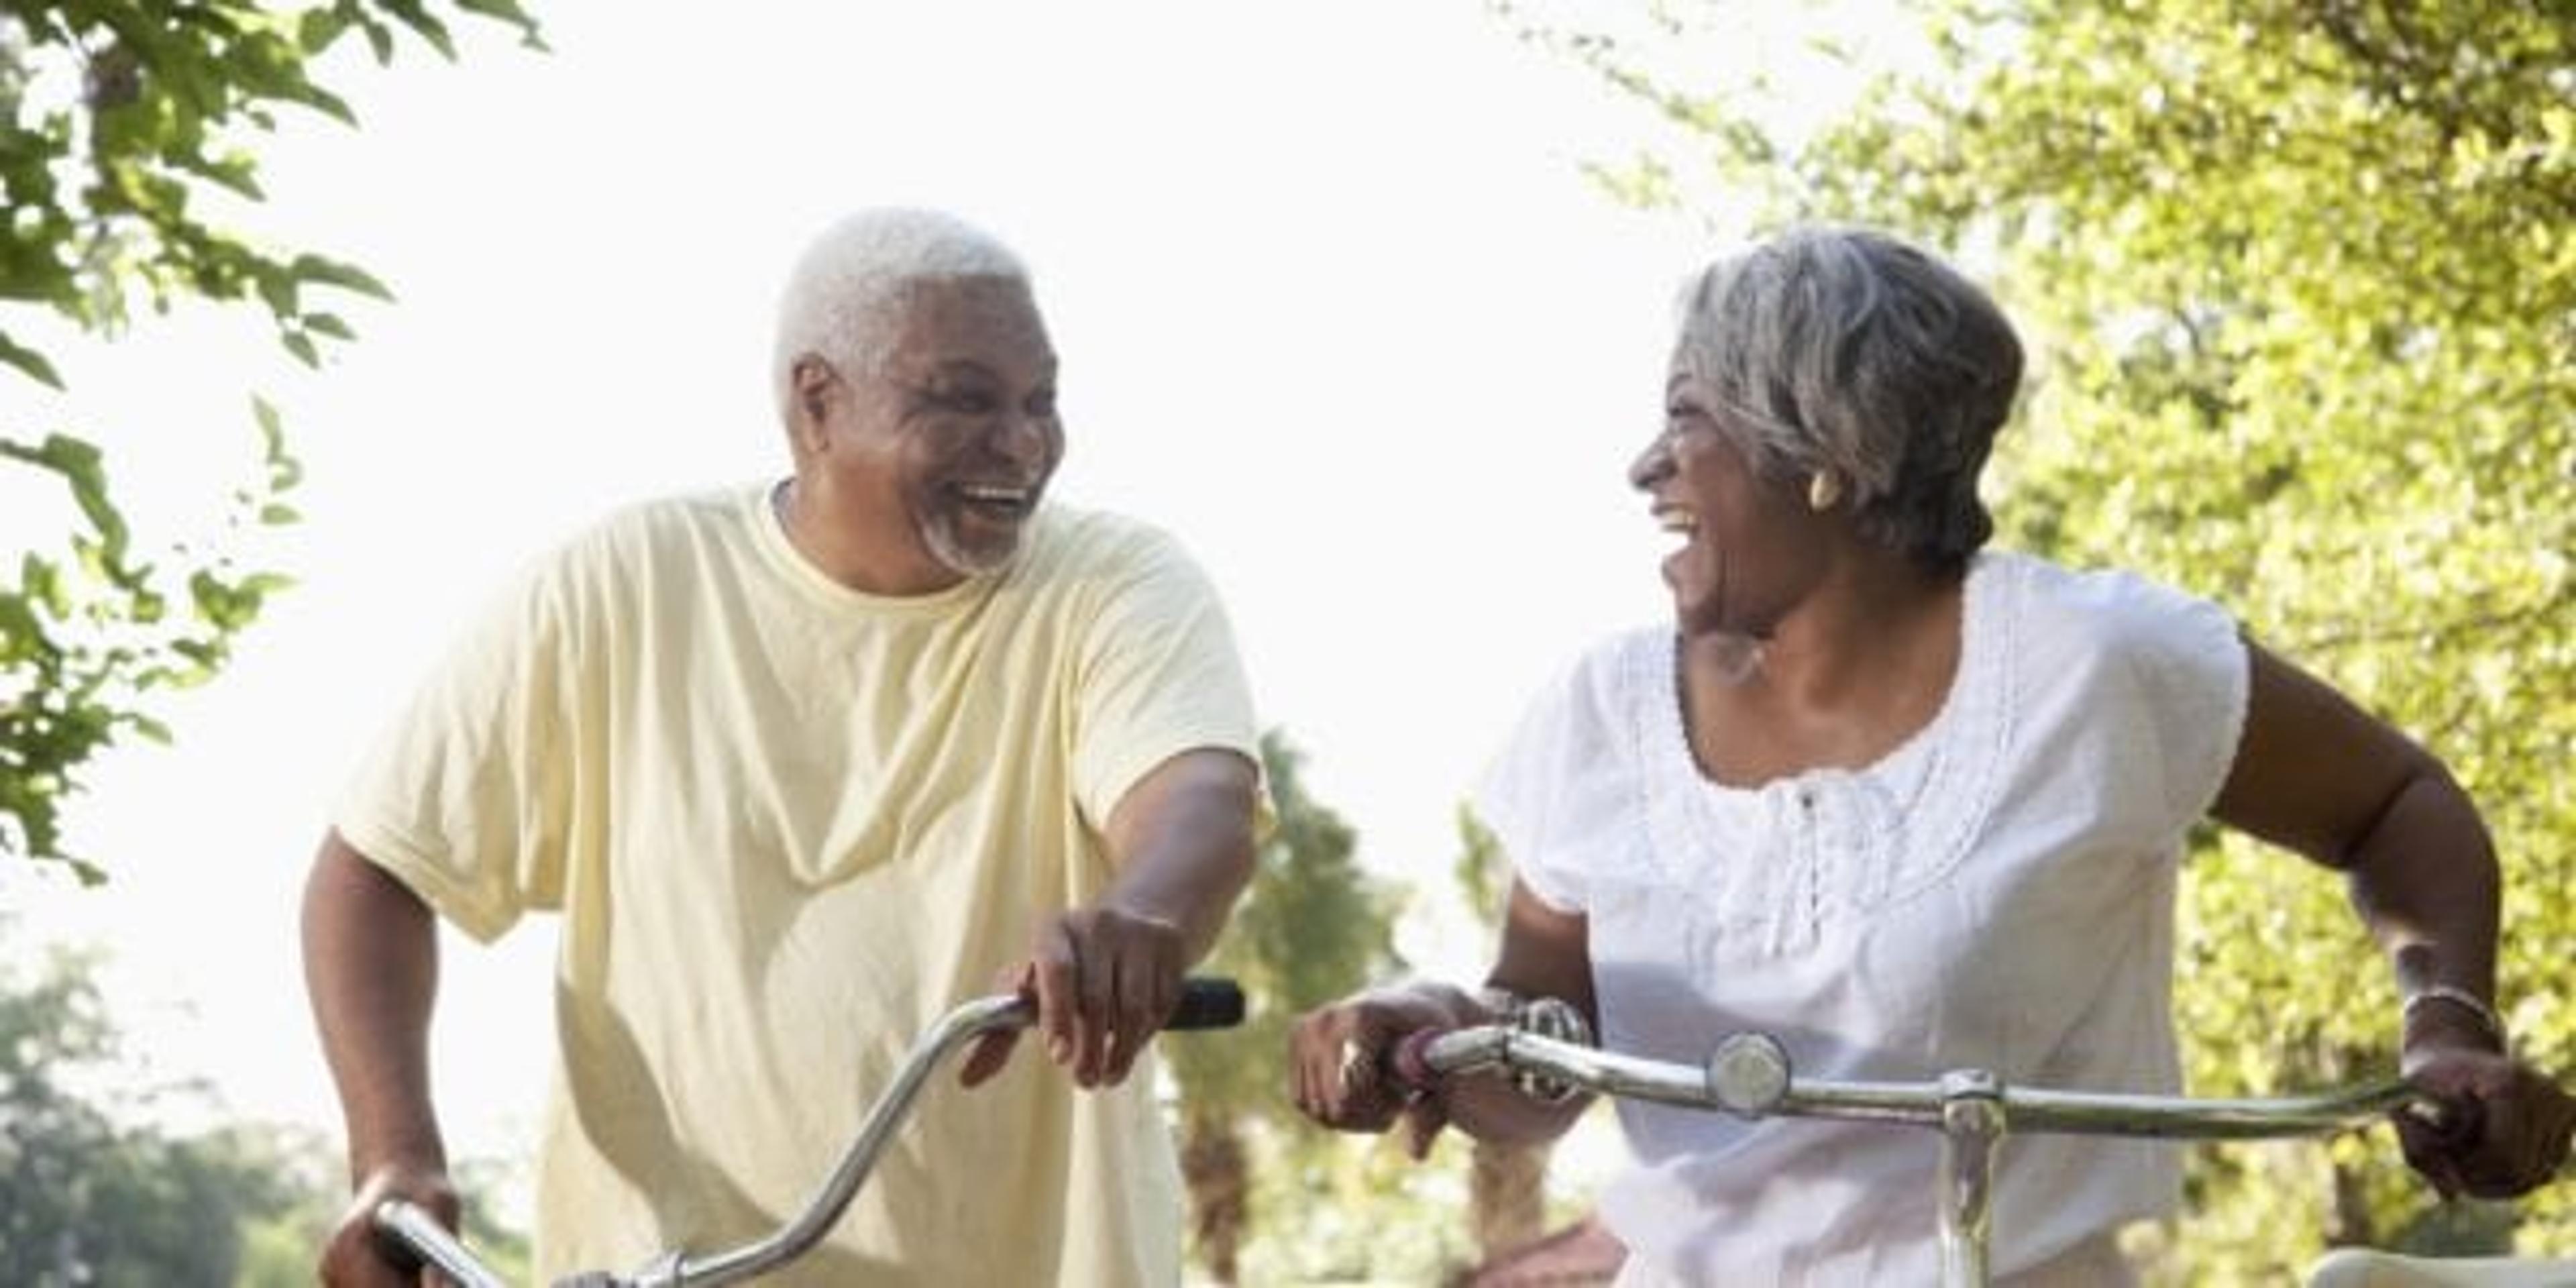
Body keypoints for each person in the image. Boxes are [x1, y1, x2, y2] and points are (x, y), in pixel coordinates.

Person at [1289, 227, 2574, 1285]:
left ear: (1829, 461)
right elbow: (1541, 1056)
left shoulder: (2095, 663)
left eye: (1689, 419)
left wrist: (2445, 1026)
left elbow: (2397, 803)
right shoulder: (1598, 712)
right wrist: (1435, 1033)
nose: (1644, 467)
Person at [304, 207, 1266, 1287]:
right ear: (817, 404)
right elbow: (378, 865)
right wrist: (394, 1153)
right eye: (964, 400)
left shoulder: (1115, 586)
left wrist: (1144, 916)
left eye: (1040, 401)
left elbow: (1199, 800)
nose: (1023, 442)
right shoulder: (623, 588)